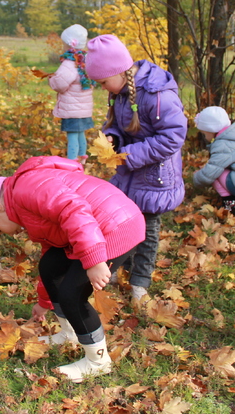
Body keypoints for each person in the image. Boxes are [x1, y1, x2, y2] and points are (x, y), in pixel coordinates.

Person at [0, 156, 145, 383]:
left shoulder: (26, 189)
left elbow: (74, 210)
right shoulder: (22, 202)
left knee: (72, 295)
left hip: (115, 227)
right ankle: (70, 334)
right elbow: (52, 249)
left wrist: (95, 260)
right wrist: (44, 302)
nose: (5, 235)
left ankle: (98, 361)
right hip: (92, 230)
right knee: (50, 266)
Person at [85, 35, 187, 303]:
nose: (102, 87)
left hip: (155, 178)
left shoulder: (157, 95)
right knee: (120, 224)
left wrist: (129, 154)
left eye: (103, 82)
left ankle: (140, 282)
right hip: (129, 175)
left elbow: (173, 137)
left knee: (147, 231)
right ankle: (117, 268)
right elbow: (120, 126)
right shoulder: (120, 93)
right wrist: (113, 138)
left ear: (119, 71)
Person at [47, 24, 94, 162]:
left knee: (72, 135)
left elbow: (60, 84)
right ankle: (82, 157)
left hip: (72, 109)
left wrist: (52, 80)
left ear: (68, 45)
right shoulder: (86, 61)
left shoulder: (69, 63)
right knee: (81, 134)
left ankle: (72, 160)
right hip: (84, 108)